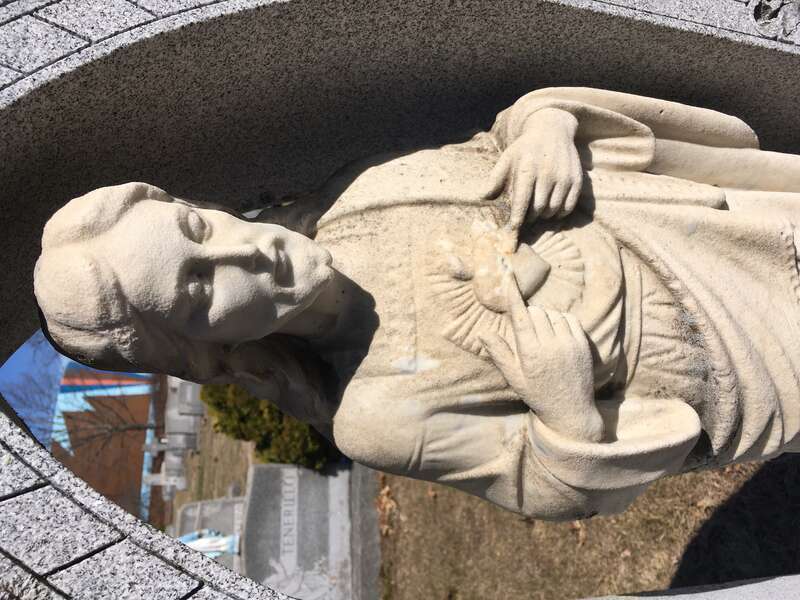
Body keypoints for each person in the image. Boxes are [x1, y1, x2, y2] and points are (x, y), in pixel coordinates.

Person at [35, 87, 800, 520]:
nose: (242, 251)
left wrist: (547, 128)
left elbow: (505, 136)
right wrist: (567, 410)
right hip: (730, 367)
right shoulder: (375, 416)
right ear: (206, 348)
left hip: (713, 234)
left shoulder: (365, 193)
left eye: (197, 228)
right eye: (200, 290)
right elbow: (548, 485)